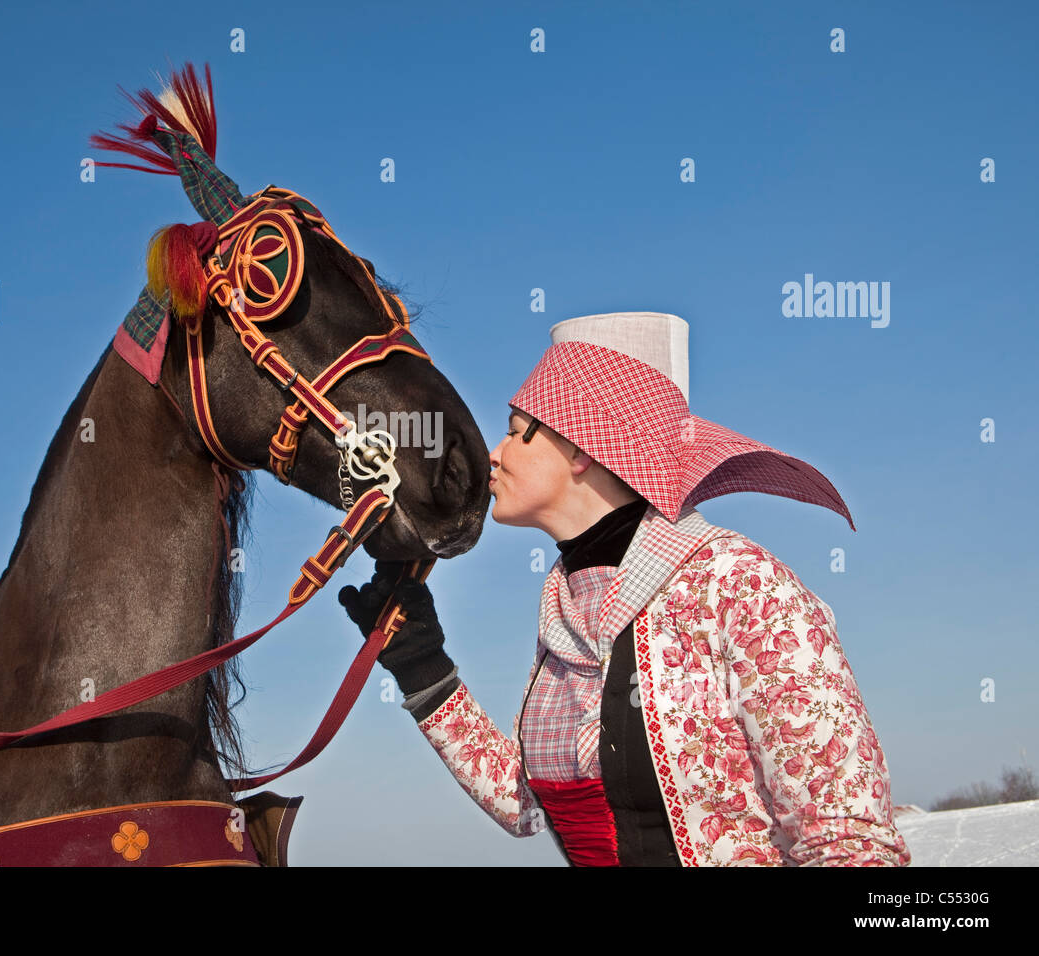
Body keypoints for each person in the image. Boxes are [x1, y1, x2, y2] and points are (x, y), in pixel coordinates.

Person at [339, 312, 910, 867]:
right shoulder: (565, 608)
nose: (494, 452)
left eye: (516, 433)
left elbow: (847, 847)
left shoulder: (741, 586)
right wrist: (423, 667)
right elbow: (526, 804)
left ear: (583, 447)